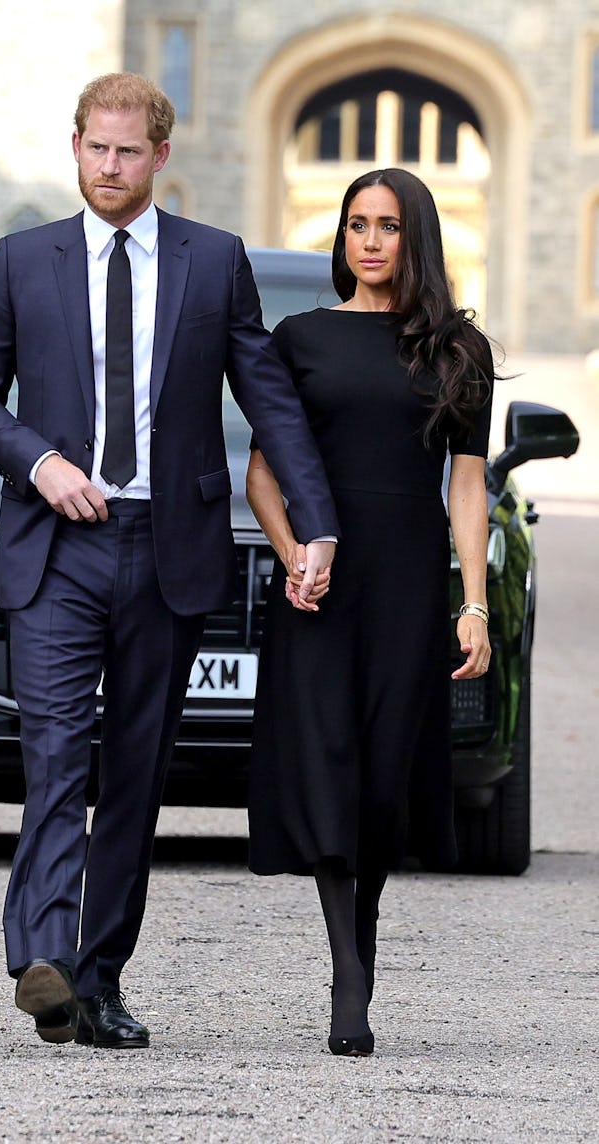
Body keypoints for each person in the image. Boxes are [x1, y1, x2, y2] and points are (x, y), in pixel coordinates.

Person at [0, 72, 339, 1050]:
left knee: (133, 773)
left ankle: (99, 978)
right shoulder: (19, 262)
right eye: (94, 149)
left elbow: (268, 398)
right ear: (73, 145)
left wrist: (316, 519)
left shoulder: (213, 263)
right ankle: (42, 957)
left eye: (127, 152)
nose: (109, 168)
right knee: (54, 754)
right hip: (57, 547)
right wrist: (39, 463)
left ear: (160, 155)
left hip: (170, 549)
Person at [246, 168, 495, 1058]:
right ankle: (350, 974)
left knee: (385, 772)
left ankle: (364, 934)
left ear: (415, 236)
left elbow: (469, 485)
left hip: (408, 580)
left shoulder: (459, 349)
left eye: (389, 225)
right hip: (324, 581)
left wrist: (473, 604)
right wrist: (291, 557)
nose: (371, 241)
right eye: (357, 225)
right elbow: (266, 470)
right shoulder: (300, 338)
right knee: (328, 759)